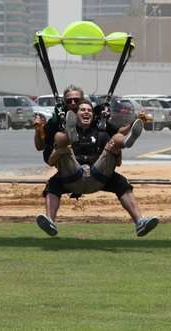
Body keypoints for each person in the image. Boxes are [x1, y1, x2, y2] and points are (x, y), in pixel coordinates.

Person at [32, 88, 158, 237]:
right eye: (80, 109)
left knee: (116, 146)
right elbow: (49, 159)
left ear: (93, 114)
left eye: (88, 110)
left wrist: (116, 151)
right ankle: (50, 221)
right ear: (73, 113)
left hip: (98, 175)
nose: (85, 112)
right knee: (59, 143)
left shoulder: (102, 131)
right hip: (73, 174)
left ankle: (140, 222)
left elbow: (118, 163)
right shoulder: (56, 124)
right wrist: (59, 149)